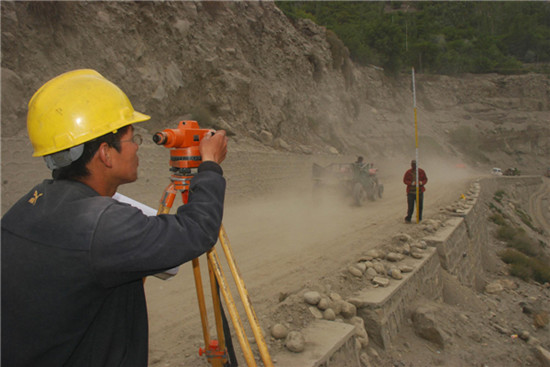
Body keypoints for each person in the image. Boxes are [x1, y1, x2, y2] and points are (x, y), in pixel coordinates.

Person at [1, 69, 228, 367]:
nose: (137, 149)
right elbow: (196, 230)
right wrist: (210, 165)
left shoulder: (30, 203)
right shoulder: (103, 226)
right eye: (133, 139)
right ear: (106, 154)